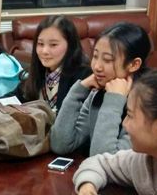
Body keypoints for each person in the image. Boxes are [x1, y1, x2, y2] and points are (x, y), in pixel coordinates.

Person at [50, 22, 151, 156]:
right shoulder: (99, 91)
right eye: (95, 56)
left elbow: (104, 159)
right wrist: (78, 91)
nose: (97, 66)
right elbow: (60, 144)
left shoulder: (146, 104)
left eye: (107, 60)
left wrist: (114, 101)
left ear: (134, 64)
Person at [18, 15, 90, 112]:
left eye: (53, 45)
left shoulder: (83, 76)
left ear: (70, 45)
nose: (44, 51)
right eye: (40, 44)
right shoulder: (36, 72)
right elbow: (14, 97)